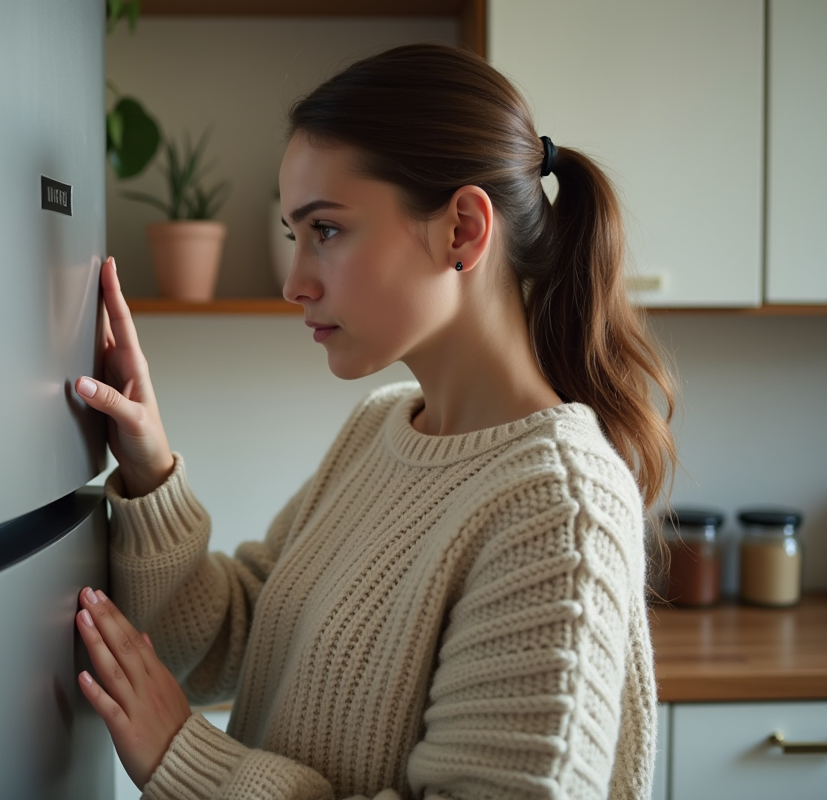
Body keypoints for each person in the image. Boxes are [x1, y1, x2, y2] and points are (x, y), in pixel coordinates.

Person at [71, 43, 676, 800]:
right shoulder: (381, 427)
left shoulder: (561, 506)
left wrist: (188, 761)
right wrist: (149, 467)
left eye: (325, 230)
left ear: (462, 230)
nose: (295, 282)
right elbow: (236, 635)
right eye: (294, 236)